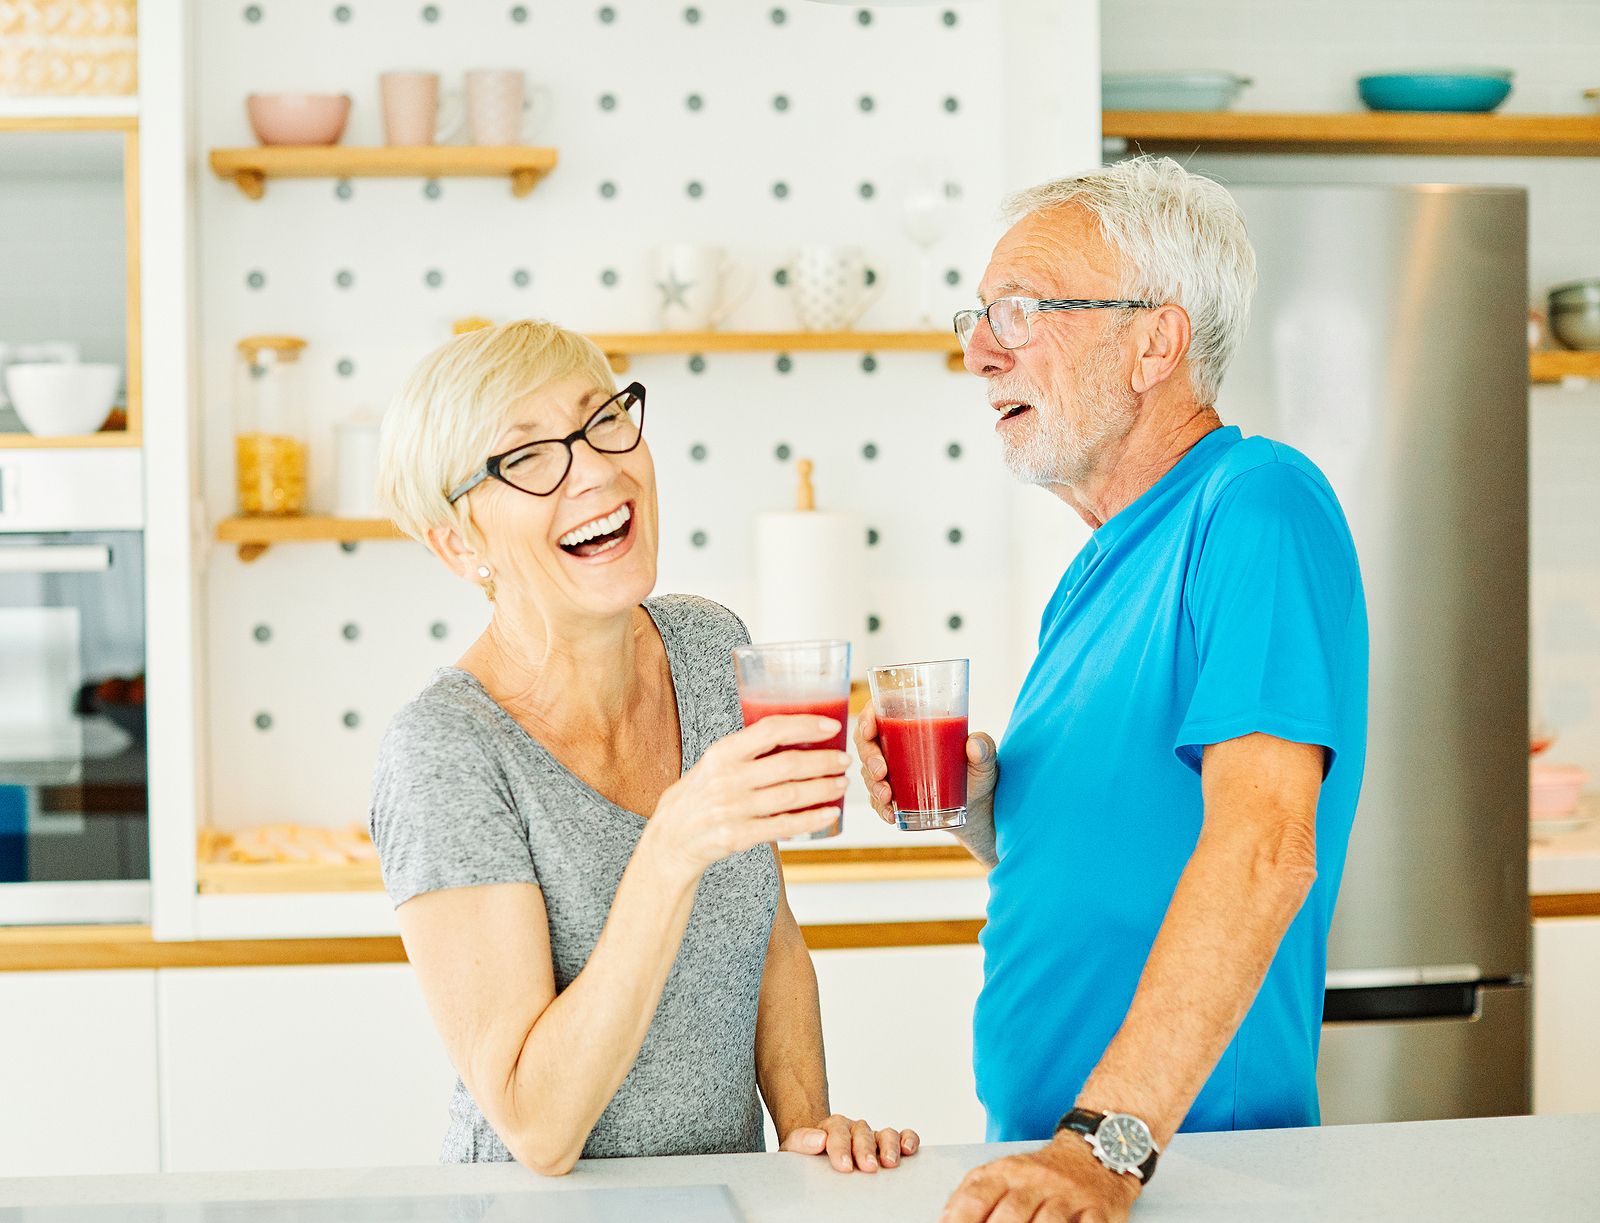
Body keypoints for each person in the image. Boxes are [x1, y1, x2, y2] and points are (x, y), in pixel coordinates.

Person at [856, 155, 1368, 1223]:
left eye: (1019, 311)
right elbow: (1110, 843)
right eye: (975, 315)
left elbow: (1266, 848)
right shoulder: (1097, 565)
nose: (977, 350)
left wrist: (1107, 1146)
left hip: (1182, 1163)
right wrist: (973, 799)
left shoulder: (1257, 504)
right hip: (1061, 1159)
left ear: (1154, 342)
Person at [370, 319, 917, 1176]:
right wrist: (670, 847)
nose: (594, 469)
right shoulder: (446, 748)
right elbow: (537, 1126)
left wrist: (806, 1125)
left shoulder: (708, 647)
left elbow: (767, 934)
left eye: (602, 421)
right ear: (459, 542)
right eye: (528, 458)